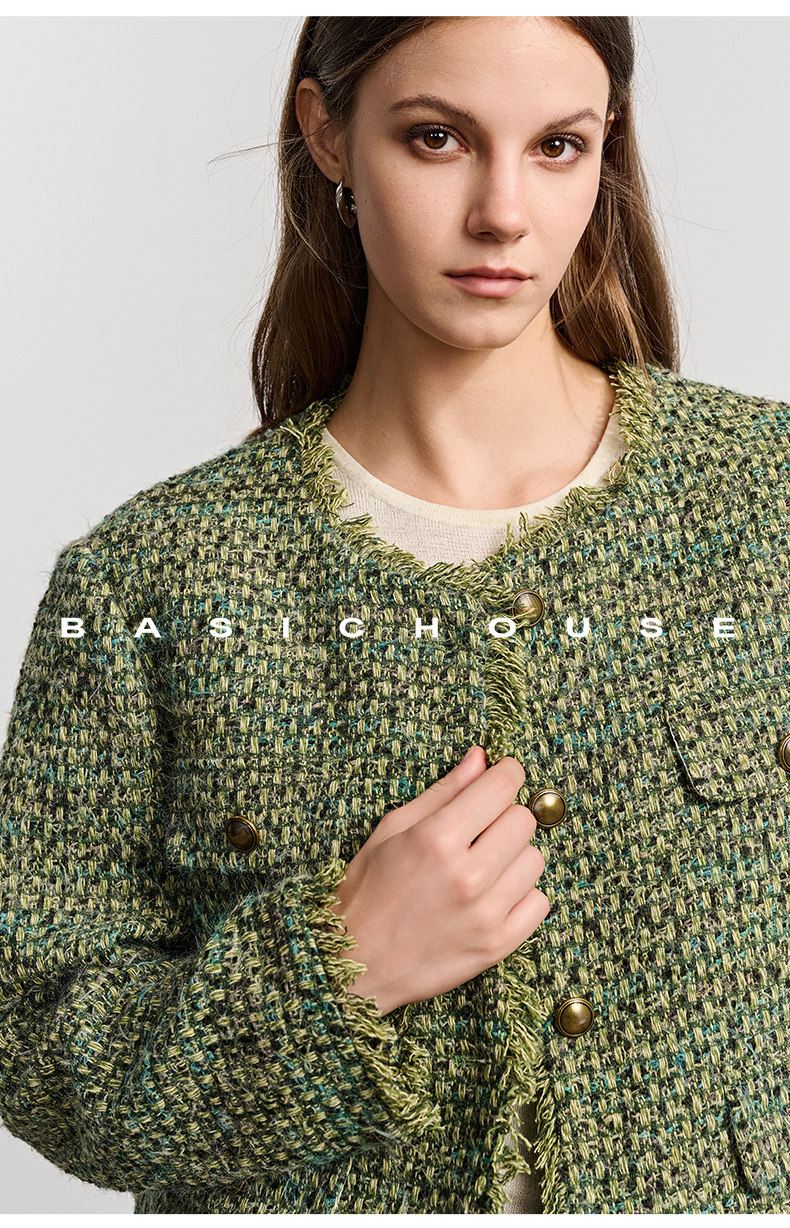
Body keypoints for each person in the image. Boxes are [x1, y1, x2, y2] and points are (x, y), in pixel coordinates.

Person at [0, 14, 789, 1216]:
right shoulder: (148, 581)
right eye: (436, 138)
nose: (502, 214)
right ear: (327, 133)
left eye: (558, 146)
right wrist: (335, 972)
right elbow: (33, 1044)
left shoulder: (763, 501)